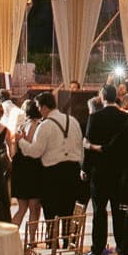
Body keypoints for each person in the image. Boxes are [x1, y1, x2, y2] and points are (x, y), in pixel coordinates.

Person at [84, 84, 128, 255]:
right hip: (120, 171)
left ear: (103, 97)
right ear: (117, 98)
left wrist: (85, 168)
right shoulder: (125, 117)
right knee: (119, 210)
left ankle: (97, 248)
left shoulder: (95, 117)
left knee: (99, 211)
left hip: (99, 171)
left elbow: (88, 145)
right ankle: (122, 247)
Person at [34, 90, 84, 222]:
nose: (39, 111)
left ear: (44, 107)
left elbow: (36, 151)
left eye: (39, 107)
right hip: (73, 170)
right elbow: (80, 145)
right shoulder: (73, 120)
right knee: (68, 210)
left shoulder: (45, 125)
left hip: (52, 173)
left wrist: (21, 141)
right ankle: (67, 241)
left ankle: (52, 242)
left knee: (50, 211)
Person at [10, 95, 46, 236]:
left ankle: (10, 236)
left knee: (22, 208)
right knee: (34, 208)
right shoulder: (38, 126)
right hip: (33, 168)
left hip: (20, 168)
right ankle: (31, 240)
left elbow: (14, 150)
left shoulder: (21, 127)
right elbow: (34, 149)